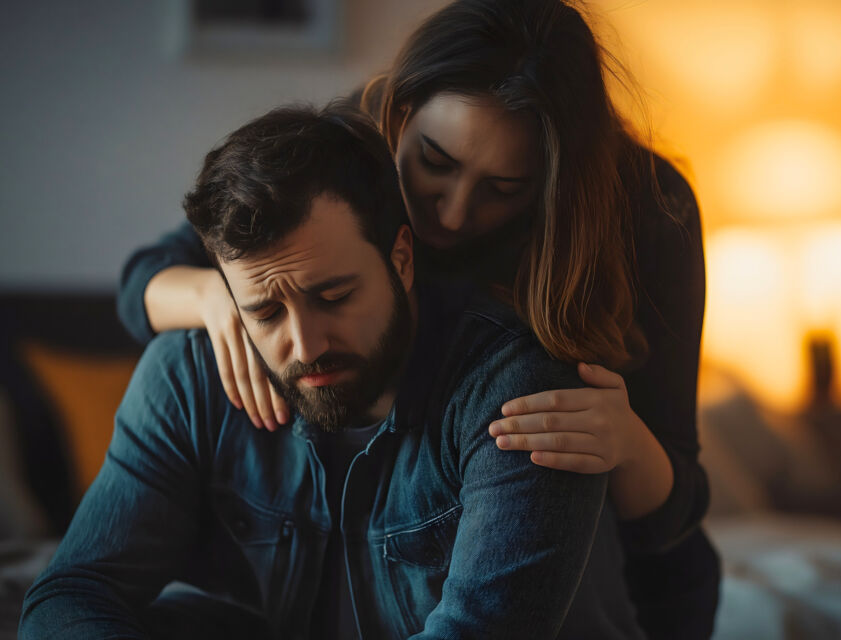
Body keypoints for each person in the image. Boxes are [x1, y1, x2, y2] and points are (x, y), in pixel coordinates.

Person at [117, 0, 719, 636]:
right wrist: (219, 298)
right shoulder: (352, 144)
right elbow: (142, 284)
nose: (454, 214)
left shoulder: (651, 210)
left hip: (636, 586)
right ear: (398, 114)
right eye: (436, 162)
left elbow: (677, 509)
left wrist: (625, 441)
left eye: (505, 188)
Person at [21, 104, 645, 639]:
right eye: (264, 310)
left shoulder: (515, 390)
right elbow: (73, 592)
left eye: (335, 295)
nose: (305, 343)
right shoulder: (188, 373)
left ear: (401, 258)